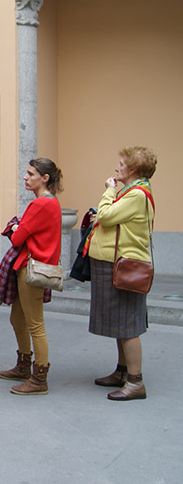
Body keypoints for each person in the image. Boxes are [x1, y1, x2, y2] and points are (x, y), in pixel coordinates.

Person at [86, 146, 157, 401]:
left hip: (124, 267)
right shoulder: (132, 192)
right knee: (121, 324)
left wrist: (108, 190)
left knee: (128, 326)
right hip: (116, 265)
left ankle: (135, 382)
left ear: (133, 170)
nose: (117, 168)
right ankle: (122, 371)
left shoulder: (135, 194)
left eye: (121, 164)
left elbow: (105, 216)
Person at [0, 158, 62, 395]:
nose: (25, 177)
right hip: (34, 266)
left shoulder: (40, 205)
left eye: (30, 173)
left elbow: (16, 239)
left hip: (31, 268)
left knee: (35, 324)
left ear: (44, 178)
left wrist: (16, 228)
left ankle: (39, 378)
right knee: (18, 318)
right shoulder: (49, 202)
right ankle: (24, 365)